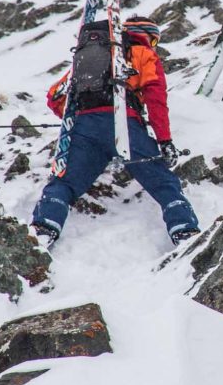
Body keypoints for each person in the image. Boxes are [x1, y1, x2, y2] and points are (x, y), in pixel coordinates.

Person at [31, 16, 199, 247]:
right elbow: (156, 100)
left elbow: (55, 97)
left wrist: (82, 120)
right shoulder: (143, 54)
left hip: (85, 126)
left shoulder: (88, 56)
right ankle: (183, 229)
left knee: (65, 182)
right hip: (124, 124)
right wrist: (164, 140)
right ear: (148, 36)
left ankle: (45, 226)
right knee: (163, 181)